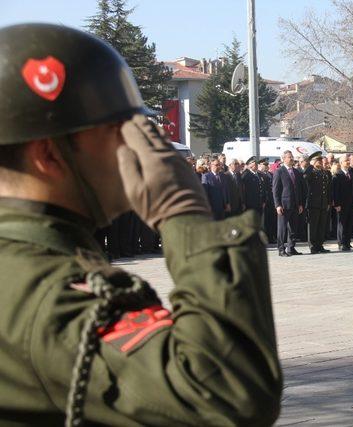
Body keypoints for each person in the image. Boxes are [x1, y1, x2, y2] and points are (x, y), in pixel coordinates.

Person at [0, 23, 281, 425]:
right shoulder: (46, 293)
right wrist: (183, 214)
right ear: (49, 153)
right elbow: (225, 396)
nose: (140, 149)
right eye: (119, 131)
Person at [272, 150, 305, 256]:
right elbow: (275, 189)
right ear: (284, 159)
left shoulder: (296, 172)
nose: (291, 159)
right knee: (282, 228)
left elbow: (299, 189)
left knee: (293, 228)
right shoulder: (279, 171)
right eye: (289, 157)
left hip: (295, 204)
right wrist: (277, 205)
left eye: (292, 157)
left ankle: (291, 248)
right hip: (284, 205)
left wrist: (300, 204)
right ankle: (281, 249)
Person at [305, 152, 332, 254]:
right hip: (313, 203)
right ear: (313, 161)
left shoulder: (324, 173)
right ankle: (313, 246)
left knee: (321, 226)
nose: (320, 162)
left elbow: (328, 189)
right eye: (318, 160)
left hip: (323, 203)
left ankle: (320, 245)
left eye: (321, 161)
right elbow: (305, 178)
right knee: (313, 226)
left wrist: (329, 201)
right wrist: (311, 165)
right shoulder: (311, 172)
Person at [332, 156, 353, 251]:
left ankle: (348, 243)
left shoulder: (351, 173)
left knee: (349, 224)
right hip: (341, 204)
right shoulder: (337, 175)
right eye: (346, 161)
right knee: (342, 224)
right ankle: (341, 243)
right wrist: (337, 204)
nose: (348, 162)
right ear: (341, 163)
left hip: (351, 203)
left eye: (348, 161)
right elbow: (335, 191)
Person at [258, 158, 277, 244]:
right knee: (264, 221)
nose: (266, 166)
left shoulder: (270, 174)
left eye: (267, 165)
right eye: (264, 164)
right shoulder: (259, 174)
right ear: (260, 165)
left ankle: (271, 236)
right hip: (264, 201)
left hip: (271, 200)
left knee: (271, 220)